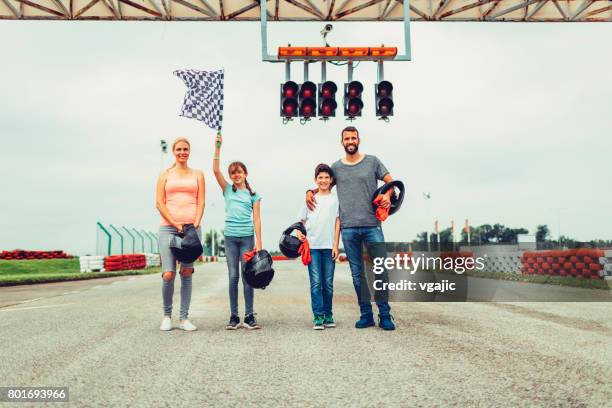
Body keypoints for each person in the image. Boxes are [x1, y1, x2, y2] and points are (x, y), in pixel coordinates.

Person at [306, 126, 397, 331]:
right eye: (346, 138)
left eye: (353, 138)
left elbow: (391, 181)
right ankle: (366, 315)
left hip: (372, 225)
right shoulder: (336, 167)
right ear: (342, 142)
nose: (350, 141)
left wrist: (387, 195)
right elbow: (324, 184)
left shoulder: (372, 161)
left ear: (359, 140)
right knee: (358, 274)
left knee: (380, 271)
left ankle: (385, 314)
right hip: (348, 229)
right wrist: (309, 192)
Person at [213, 133, 263, 330]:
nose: (236, 175)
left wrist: (259, 242)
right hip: (231, 238)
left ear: (245, 174)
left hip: (247, 238)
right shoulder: (227, 190)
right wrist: (218, 147)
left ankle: (249, 315)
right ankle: (234, 316)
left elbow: (257, 219)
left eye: (239, 172)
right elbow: (215, 170)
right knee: (233, 276)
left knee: (246, 275)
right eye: (233, 173)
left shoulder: (254, 195)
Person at [156, 137, 205, 331]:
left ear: (189, 152)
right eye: (179, 149)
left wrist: (197, 222)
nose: (182, 152)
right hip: (168, 228)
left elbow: (201, 201)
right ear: (173, 152)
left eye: (185, 149)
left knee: (186, 271)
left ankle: (184, 318)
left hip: (191, 229)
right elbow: (159, 203)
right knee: (169, 273)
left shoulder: (198, 174)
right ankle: (167, 315)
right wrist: (175, 223)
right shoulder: (164, 175)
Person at [297, 164, 340, 330]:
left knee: (328, 283)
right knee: (316, 283)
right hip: (313, 246)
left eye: (326, 178)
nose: (323, 180)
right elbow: (300, 221)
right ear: (316, 180)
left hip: (329, 246)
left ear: (331, 180)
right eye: (320, 178)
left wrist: (336, 244)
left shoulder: (336, 199)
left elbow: (338, 222)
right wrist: (300, 234)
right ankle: (318, 316)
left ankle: (328, 314)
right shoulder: (310, 199)